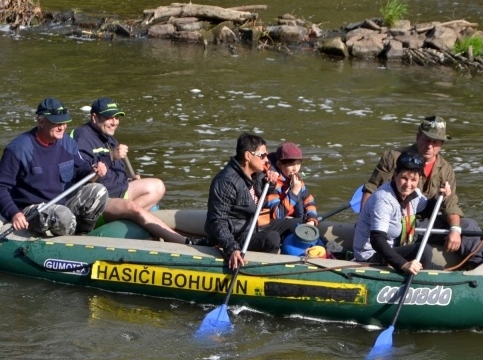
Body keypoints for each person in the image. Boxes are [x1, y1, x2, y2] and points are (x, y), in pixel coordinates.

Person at [362, 116, 483, 267]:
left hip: (423, 222)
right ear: (417, 137)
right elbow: (372, 189)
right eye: (426, 139)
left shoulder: (446, 169)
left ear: (441, 144)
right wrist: (365, 222)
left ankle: (478, 270)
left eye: (435, 142)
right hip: (395, 219)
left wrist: (455, 229)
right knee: (420, 249)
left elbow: (450, 204)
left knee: (469, 227)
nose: (430, 146)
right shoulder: (394, 158)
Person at [71, 97, 197, 245]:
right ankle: (183, 242)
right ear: (94, 117)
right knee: (132, 208)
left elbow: (116, 173)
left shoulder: (109, 139)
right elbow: (83, 175)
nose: (114, 122)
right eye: (108, 117)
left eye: (117, 117)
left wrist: (129, 180)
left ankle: (128, 220)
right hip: (99, 199)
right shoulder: (81, 136)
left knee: (157, 186)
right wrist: (111, 156)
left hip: (118, 189)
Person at [0, 97, 109, 236]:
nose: (62, 127)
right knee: (62, 216)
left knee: (99, 191)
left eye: (64, 122)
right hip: (32, 209)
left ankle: (82, 235)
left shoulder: (67, 143)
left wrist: (93, 170)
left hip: (61, 202)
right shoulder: (19, 149)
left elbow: (80, 170)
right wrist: (14, 213)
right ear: (41, 121)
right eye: (56, 123)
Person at [206, 132, 299, 270]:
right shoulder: (226, 182)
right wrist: (232, 248)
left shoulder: (256, 175)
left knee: (296, 223)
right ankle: (268, 270)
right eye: (262, 156)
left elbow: (262, 199)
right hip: (237, 236)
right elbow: (217, 220)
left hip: (253, 226)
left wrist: (271, 183)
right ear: (248, 156)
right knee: (272, 238)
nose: (267, 160)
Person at [354, 152, 450, 273]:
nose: (408, 185)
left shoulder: (414, 194)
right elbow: (377, 240)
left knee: (426, 256)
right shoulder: (384, 200)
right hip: (371, 255)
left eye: (413, 180)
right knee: (423, 250)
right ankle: (433, 273)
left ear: (419, 179)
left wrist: (440, 197)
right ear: (395, 175)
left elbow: (426, 211)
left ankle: (439, 271)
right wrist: (403, 265)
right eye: (404, 178)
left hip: (394, 248)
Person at [265, 141, 319, 226]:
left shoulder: (297, 180)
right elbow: (277, 215)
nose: (295, 169)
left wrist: (311, 218)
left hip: (298, 219)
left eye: (298, 164)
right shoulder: (272, 183)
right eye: (291, 165)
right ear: (279, 164)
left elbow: (309, 201)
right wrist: (293, 192)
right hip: (280, 225)